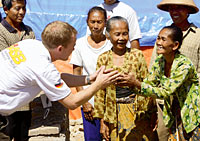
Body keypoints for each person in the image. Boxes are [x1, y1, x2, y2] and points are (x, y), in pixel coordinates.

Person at [0, 21, 120, 141]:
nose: (74, 48)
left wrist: (89, 79)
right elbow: (72, 102)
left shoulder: (29, 45)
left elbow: (58, 78)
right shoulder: (43, 67)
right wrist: (99, 84)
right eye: (73, 45)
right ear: (60, 48)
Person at [120, 25, 200, 140]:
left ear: (175, 45)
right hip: (172, 112)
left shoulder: (184, 65)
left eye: (163, 39)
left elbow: (166, 91)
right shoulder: (160, 61)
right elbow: (149, 84)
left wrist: (136, 83)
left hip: (191, 113)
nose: (158, 42)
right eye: (158, 38)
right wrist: (130, 84)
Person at [93, 16, 158, 141]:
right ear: (108, 35)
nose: (121, 38)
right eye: (117, 34)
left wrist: (153, 112)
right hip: (113, 114)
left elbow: (147, 83)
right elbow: (100, 91)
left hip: (138, 114)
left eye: (125, 34)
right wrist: (102, 121)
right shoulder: (103, 59)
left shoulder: (137, 55)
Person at [148, 0, 200, 140]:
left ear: (188, 11)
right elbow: (154, 66)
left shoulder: (198, 36)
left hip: (189, 102)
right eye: (172, 8)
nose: (174, 12)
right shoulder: (162, 36)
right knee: (163, 136)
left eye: (179, 8)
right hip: (164, 102)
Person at [70, 6, 112, 141]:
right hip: (90, 103)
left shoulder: (113, 44)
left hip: (111, 102)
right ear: (87, 22)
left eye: (99, 22)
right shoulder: (80, 44)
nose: (95, 26)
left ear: (106, 22)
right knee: (92, 138)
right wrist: (84, 102)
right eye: (92, 22)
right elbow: (77, 74)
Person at [0, 0, 36, 140]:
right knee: (5, 136)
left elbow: (34, 59)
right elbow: (6, 62)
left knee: (23, 136)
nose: (21, 12)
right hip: (6, 97)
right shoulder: (1, 31)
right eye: (17, 8)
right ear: (6, 9)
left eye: (24, 8)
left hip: (25, 99)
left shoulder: (29, 31)